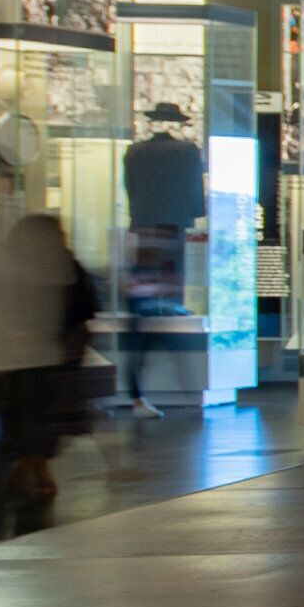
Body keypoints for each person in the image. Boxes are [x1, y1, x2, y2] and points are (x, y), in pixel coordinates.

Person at [0, 216, 95, 534]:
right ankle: (34, 471)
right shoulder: (69, 267)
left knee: (26, 412)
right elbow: (85, 310)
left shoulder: (15, 271)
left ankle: (29, 472)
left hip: (26, 359)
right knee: (42, 415)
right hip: (59, 360)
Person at [120, 101, 206, 410]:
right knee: (169, 289)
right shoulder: (187, 152)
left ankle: (137, 387)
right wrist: (195, 213)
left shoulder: (134, 153)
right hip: (173, 227)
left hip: (143, 227)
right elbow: (196, 198)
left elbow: (130, 192)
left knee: (144, 294)